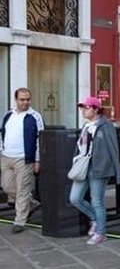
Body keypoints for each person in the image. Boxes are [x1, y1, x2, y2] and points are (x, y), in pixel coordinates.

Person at [69, 96, 120, 245]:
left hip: (99, 169)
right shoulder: (87, 126)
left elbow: (113, 149)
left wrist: (116, 171)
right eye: (82, 108)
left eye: (86, 108)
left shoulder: (106, 126)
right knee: (75, 198)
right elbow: (81, 148)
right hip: (84, 167)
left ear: (95, 109)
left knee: (97, 201)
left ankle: (101, 233)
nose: (83, 111)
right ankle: (95, 219)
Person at [0, 88, 44, 234]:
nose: (25, 102)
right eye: (22, 99)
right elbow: (2, 133)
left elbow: (40, 139)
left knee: (23, 189)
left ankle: (20, 221)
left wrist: (37, 160)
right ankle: (32, 203)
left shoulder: (35, 116)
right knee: (6, 187)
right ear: (16, 100)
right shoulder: (8, 115)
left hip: (24, 158)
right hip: (6, 157)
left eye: (28, 99)